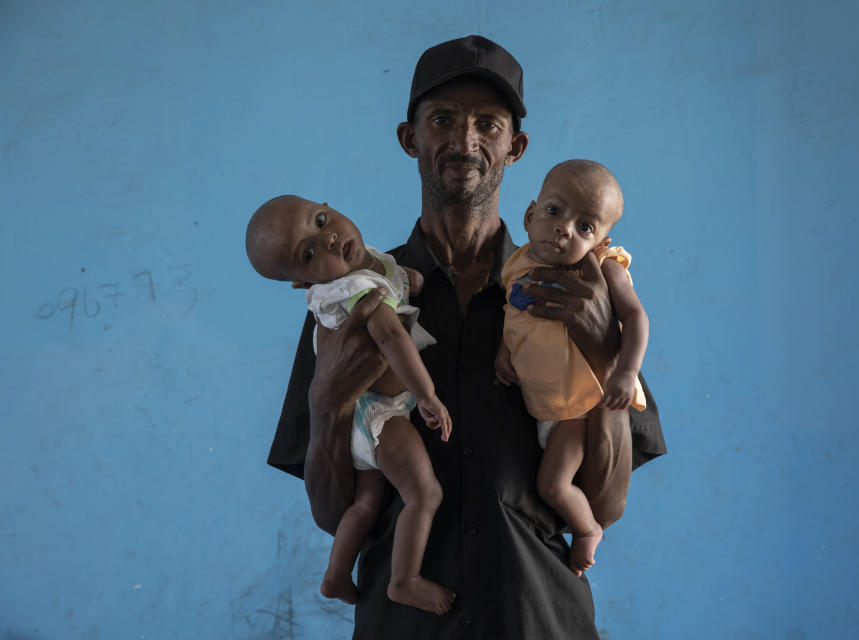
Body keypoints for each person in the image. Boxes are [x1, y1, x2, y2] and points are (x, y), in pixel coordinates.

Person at [266, 35, 666, 638]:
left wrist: (603, 351)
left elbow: (604, 506)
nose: (465, 141)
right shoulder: (349, 300)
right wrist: (327, 402)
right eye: (442, 120)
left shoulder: (581, 288)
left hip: (537, 616)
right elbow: (331, 514)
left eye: (489, 123)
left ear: (516, 147)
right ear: (410, 139)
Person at [246, 195, 455, 615]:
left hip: (369, 416)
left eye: (322, 220)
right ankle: (404, 580)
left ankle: (336, 575)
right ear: (303, 283)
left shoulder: (370, 261)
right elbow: (393, 338)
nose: (328, 239)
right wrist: (428, 395)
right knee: (424, 492)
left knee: (365, 503)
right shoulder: (355, 293)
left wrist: (410, 279)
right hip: (377, 414)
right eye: (308, 254)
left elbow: (400, 278)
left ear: (328, 206)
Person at [495, 159, 649, 577]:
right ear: (529, 216)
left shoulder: (601, 269)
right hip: (544, 406)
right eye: (554, 212)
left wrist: (623, 371)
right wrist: (504, 352)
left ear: (602, 239)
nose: (565, 228)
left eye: (586, 227)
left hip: (577, 410)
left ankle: (586, 531)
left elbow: (636, 318)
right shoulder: (515, 266)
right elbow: (517, 318)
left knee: (553, 485)